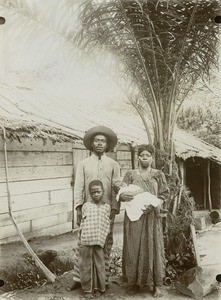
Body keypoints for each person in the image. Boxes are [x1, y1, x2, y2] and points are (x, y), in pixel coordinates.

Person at [71, 126, 121, 290]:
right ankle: (80, 280)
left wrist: (114, 209)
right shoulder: (83, 164)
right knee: (83, 246)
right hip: (88, 212)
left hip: (106, 212)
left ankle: (102, 280)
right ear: (91, 144)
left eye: (103, 141)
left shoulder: (113, 164)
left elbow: (116, 188)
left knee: (104, 245)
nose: (100, 144)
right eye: (97, 141)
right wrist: (78, 208)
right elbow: (78, 187)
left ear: (107, 145)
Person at [119, 144, 169, 298]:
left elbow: (165, 194)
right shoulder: (130, 175)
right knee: (133, 247)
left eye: (148, 155)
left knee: (152, 246)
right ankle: (133, 283)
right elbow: (122, 191)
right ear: (138, 157)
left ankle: (155, 284)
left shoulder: (158, 175)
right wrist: (122, 196)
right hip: (134, 216)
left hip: (151, 217)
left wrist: (155, 204)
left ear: (152, 158)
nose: (145, 158)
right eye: (142, 155)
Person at [78, 180, 111, 298]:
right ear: (89, 193)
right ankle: (87, 290)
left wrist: (106, 239)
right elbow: (83, 223)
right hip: (86, 240)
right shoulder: (86, 206)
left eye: (98, 192)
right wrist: (80, 239)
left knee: (100, 264)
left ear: (103, 192)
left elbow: (107, 224)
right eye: (93, 193)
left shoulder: (107, 207)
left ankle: (100, 287)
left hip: (99, 240)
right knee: (86, 265)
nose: (96, 194)